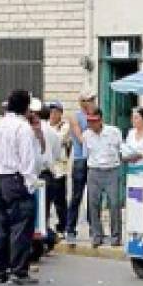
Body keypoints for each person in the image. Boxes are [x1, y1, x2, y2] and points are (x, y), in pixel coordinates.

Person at [0, 90, 39, 285]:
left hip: (0, 178)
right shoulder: (22, 128)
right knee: (21, 226)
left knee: (3, 226)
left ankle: (0, 269)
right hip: (17, 179)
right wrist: (31, 183)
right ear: (25, 107)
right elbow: (27, 159)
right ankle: (18, 270)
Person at [82, 108, 124, 248]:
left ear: (100, 120)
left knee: (114, 204)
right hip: (94, 170)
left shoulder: (114, 132)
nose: (91, 125)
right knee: (93, 204)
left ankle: (116, 236)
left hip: (111, 169)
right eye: (89, 122)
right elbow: (86, 154)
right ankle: (97, 235)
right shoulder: (87, 135)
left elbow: (121, 150)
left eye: (94, 121)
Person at [65, 91, 97, 244]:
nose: (92, 102)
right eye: (90, 100)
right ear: (83, 102)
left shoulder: (96, 115)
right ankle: (70, 228)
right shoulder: (75, 116)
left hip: (93, 159)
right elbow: (80, 137)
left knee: (93, 196)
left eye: (93, 99)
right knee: (76, 196)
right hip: (80, 159)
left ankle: (94, 228)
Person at [45, 102, 71, 233]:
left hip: (60, 168)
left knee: (60, 200)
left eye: (56, 112)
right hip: (48, 167)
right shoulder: (46, 125)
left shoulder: (64, 126)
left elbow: (58, 139)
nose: (53, 115)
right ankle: (45, 225)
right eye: (51, 112)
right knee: (46, 200)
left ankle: (63, 226)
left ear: (61, 113)